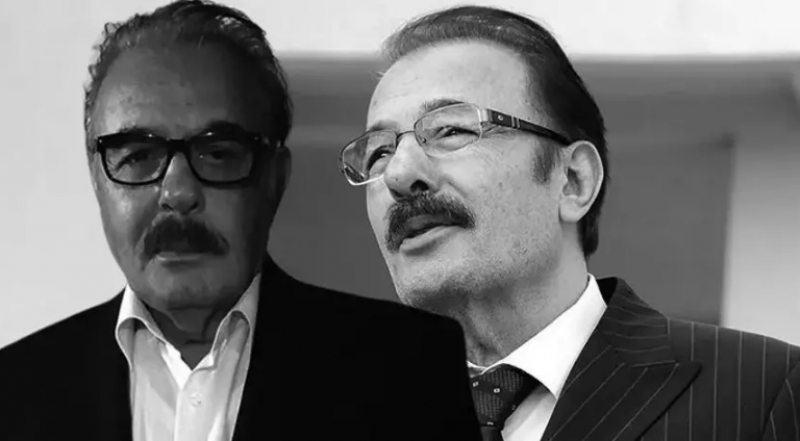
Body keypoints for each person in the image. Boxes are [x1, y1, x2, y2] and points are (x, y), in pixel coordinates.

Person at [0, 2, 482, 440]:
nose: (178, 193)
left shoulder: (409, 368)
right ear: (97, 179)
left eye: (217, 153)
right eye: (137, 156)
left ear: (275, 179)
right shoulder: (14, 389)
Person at [339, 5, 800, 441]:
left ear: (573, 181)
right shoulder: (338, 411)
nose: (398, 174)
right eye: (379, 153)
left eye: (451, 130)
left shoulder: (762, 393)